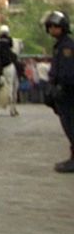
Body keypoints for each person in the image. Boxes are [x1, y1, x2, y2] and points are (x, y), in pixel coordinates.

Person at [43, 11, 74, 173]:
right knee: (68, 124)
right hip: (63, 91)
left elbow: (68, 71)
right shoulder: (60, 45)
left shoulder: (67, 46)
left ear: (63, 28)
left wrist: (59, 87)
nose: (52, 30)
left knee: (71, 125)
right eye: (50, 27)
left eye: (55, 27)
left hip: (68, 92)